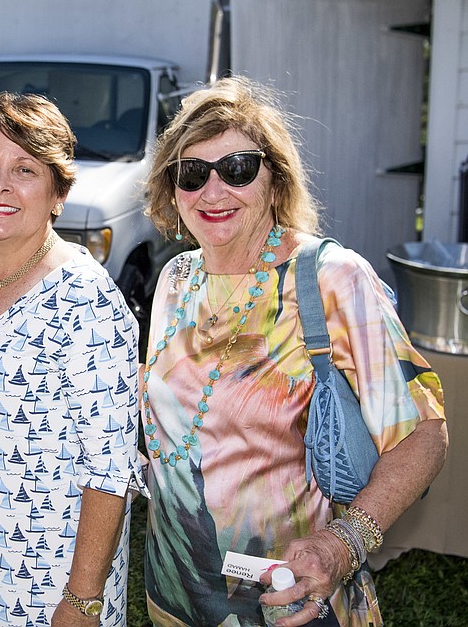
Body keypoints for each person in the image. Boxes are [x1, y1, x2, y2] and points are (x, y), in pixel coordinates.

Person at [141, 76, 448, 627]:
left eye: (236, 169)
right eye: (192, 173)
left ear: (275, 181)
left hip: (292, 603)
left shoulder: (332, 277)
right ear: (171, 188)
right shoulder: (175, 279)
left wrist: (344, 545)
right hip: (176, 599)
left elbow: (425, 434)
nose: (213, 192)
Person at [0, 92, 147, 627]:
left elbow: (111, 469)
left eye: (25, 169)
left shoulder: (86, 298)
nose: (1, 184)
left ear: (57, 192)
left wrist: (81, 600)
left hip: (54, 584)